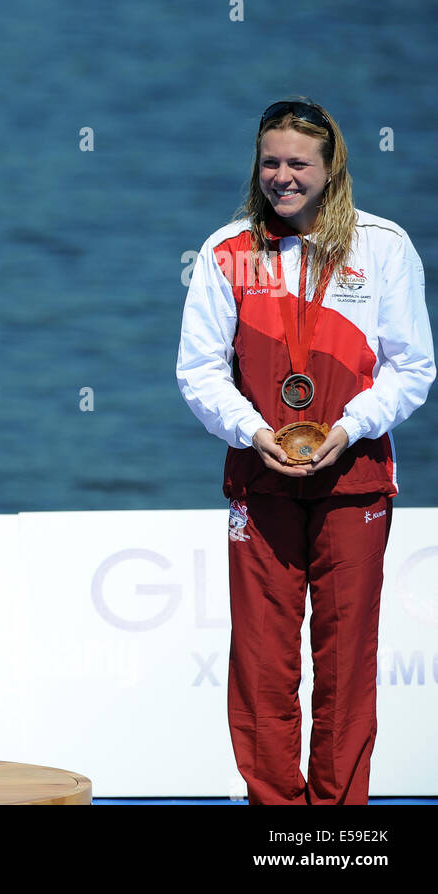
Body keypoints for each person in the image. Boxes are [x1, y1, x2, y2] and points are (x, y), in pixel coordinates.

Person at [177, 99, 434, 805]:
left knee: (346, 665)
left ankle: (336, 826)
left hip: (353, 481)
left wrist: (348, 428)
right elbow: (198, 370)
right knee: (262, 665)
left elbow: (413, 367)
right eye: (270, 161)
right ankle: (278, 816)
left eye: (298, 163)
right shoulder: (227, 251)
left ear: (331, 168)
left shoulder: (383, 247)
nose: (281, 177)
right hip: (259, 483)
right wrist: (255, 433)